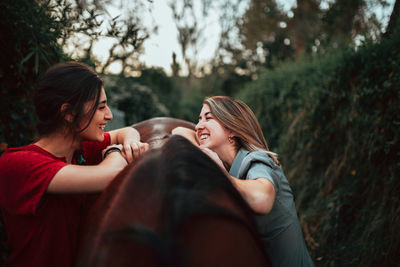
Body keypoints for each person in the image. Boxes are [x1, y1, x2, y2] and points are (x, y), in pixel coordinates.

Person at [0, 62, 149, 267]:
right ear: (68, 113)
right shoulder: (19, 164)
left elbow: (127, 131)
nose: (109, 115)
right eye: (100, 107)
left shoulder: (82, 150)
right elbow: (110, 173)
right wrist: (115, 150)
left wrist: (131, 142)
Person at [172, 96, 314, 267]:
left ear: (232, 129)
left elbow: (262, 199)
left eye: (208, 118)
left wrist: (219, 173)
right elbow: (179, 131)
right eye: (199, 119)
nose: (199, 126)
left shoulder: (257, 160)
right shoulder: (230, 167)